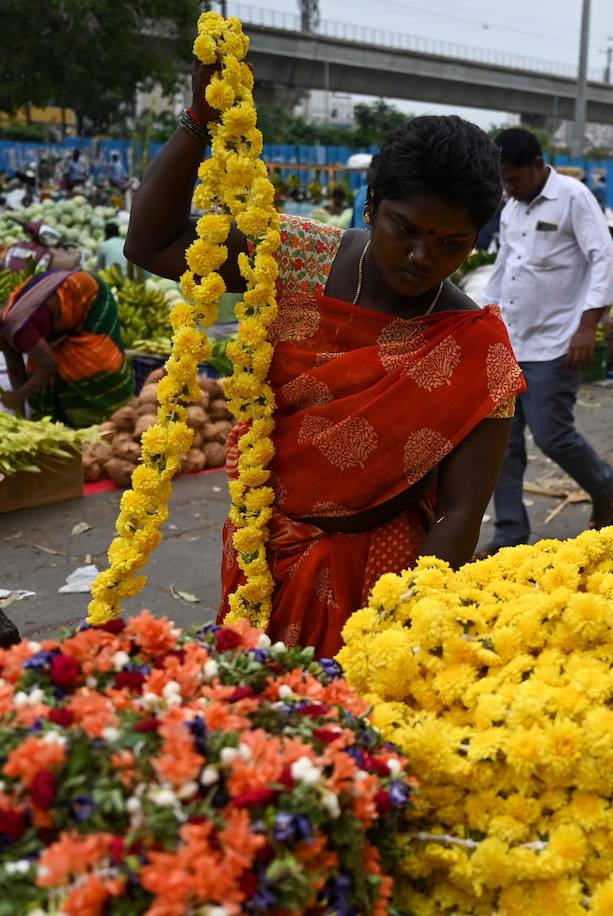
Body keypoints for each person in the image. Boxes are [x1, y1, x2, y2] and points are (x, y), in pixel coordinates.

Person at [125, 61, 526, 657]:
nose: (422, 256)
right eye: (405, 228)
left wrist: (395, 627)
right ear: (371, 206)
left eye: (451, 244)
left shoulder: (478, 347)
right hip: (262, 546)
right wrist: (200, 117)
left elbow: (463, 515)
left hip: (383, 574)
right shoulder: (299, 254)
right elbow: (152, 244)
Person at [480, 128, 613, 554]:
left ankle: (604, 481)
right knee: (502, 444)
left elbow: (604, 259)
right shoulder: (512, 206)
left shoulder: (573, 198)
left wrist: (587, 327)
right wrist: (484, 315)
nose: (509, 188)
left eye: (515, 179)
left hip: (556, 342)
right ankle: (509, 533)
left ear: (539, 165)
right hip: (511, 340)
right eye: (504, 180)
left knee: (551, 436)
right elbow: (506, 264)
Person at [1, 270, 134, 425]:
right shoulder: (6, 332)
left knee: (91, 361)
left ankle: (108, 418)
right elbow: (15, 368)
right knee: (41, 363)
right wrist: (20, 417)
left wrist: (19, 396)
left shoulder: (19, 329)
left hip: (86, 291)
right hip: (54, 304)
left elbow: (49, 365)